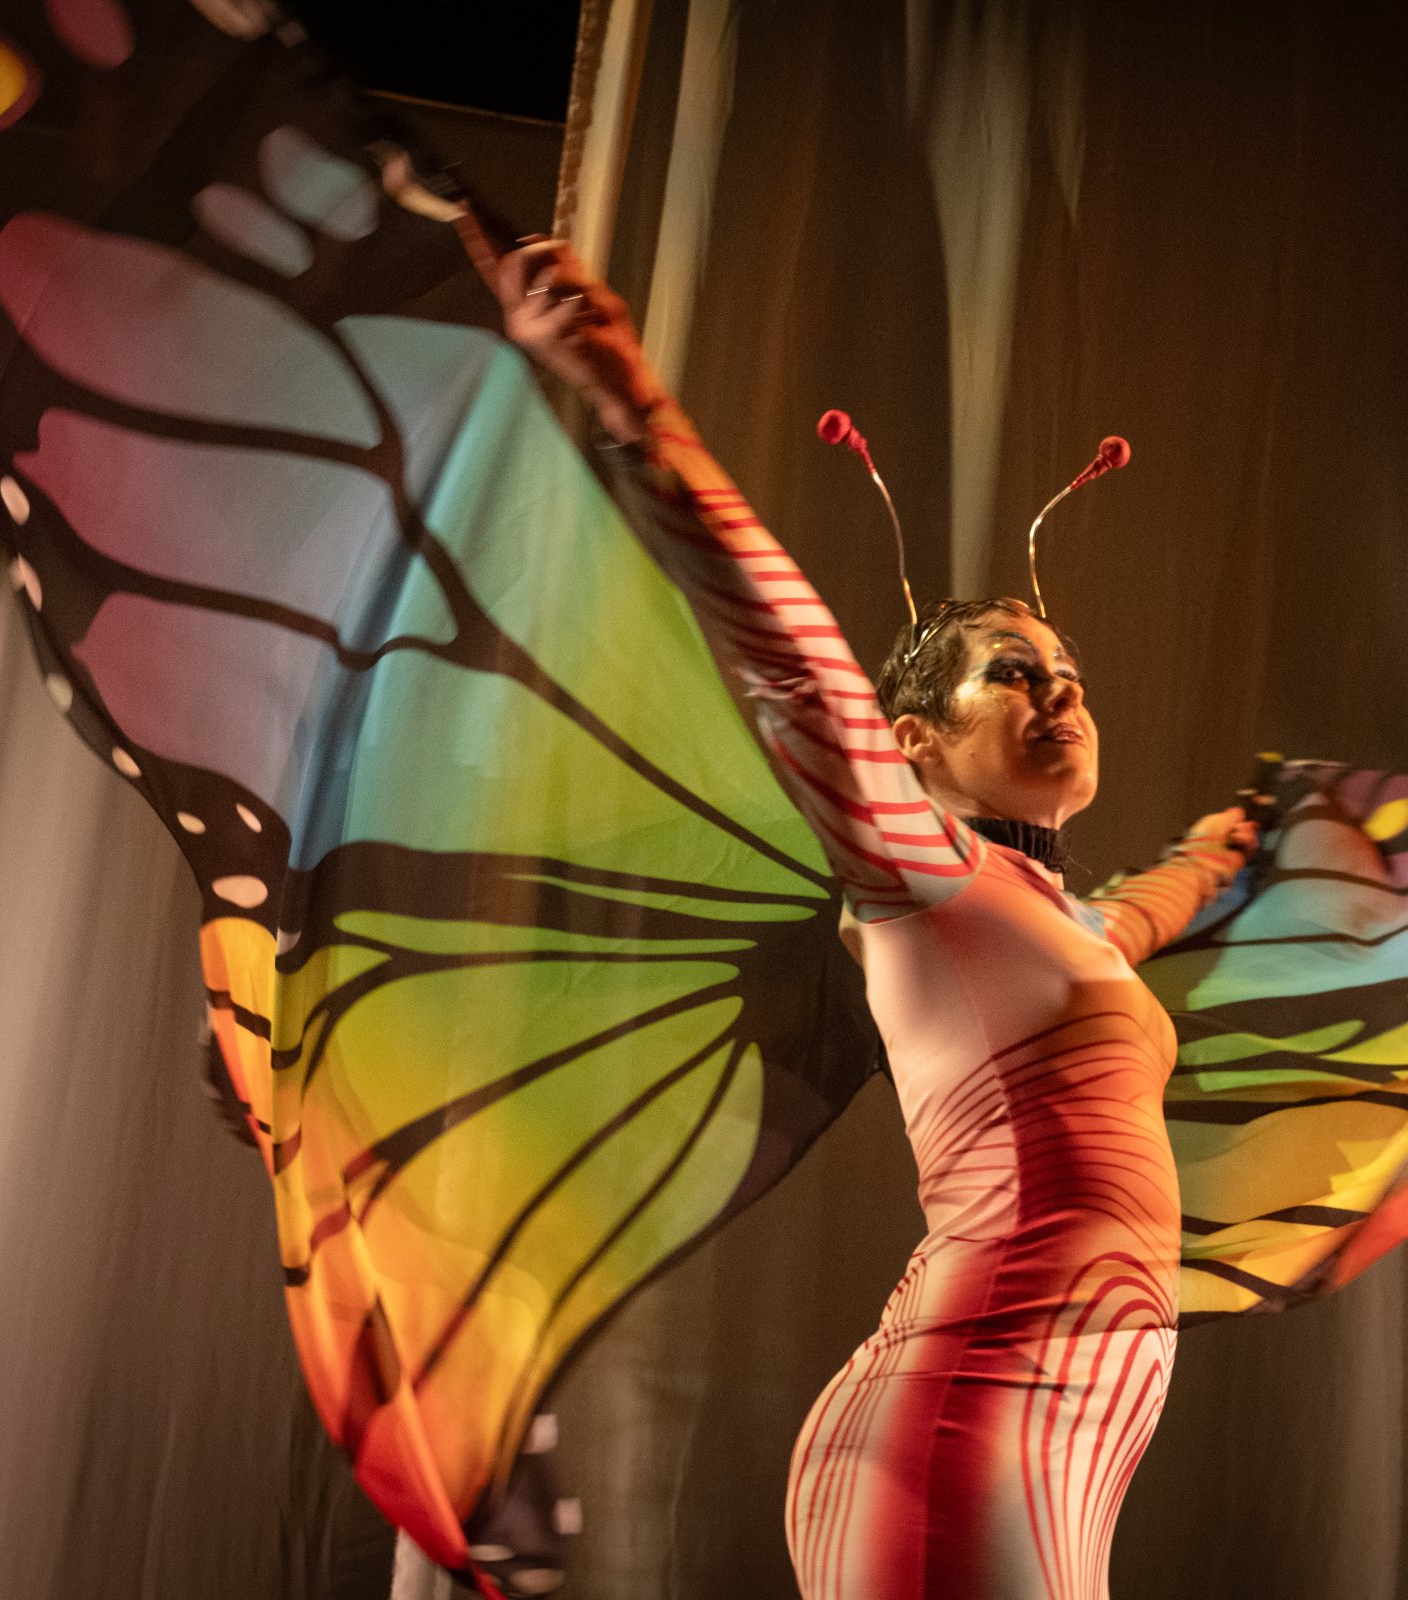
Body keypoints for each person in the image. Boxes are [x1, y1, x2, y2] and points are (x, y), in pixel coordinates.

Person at [496, 239, 1254, 1600]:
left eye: (1070, 672)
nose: (1062, 691)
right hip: (966, 1420)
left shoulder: (1048, 928)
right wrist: (633, 404)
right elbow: (796, 674)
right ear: (912, 746)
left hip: (1051, 1435)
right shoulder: (922, 880)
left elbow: (1131, 921)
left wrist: (1225, 850)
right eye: (1014, 672)